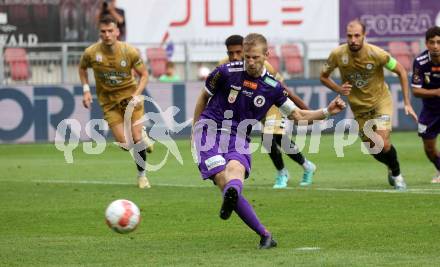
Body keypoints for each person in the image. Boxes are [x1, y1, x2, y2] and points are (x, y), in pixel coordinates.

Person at [192, 33, 346, 249]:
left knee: (235, 172)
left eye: (254, 57)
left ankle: (251, 219)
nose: (250, 62)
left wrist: (327, 112)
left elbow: (298, 116)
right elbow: (203, 97)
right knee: (222, 177)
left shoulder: (272, 87)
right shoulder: (225, 72)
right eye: (247, 57)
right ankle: (258, 227)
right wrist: (195, 129)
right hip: (210, 130)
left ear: (267, 55)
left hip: (239, 136)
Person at [320, 19, 418, 190]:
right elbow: (323, 76)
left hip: (381, 102)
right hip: (359, 108)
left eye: (357, 35)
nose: (353, 40)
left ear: (364, 35)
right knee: (373, 149)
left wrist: (407, 103)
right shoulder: (337, 54)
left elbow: (401, 71)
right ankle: (390, 166)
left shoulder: (377, 54)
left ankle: (397, 174)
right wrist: (338, 88)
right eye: (349, 36)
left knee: (382, 142)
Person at [219, 34, 316, 189]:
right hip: (249, 107)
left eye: (238, 52)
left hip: (271, 104)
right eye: (231, 53)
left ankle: (282, 173)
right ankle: (307, 165)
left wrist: (303, 108)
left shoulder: (264, 66)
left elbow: (282, 90)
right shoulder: (224, 68)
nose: (235, 57)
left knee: (268, 138)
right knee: (280, 140)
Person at [78, 15, 153, 189]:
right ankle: (141, 135)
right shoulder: (91, 53)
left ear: (117, 32)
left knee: (136, 139)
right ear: (100, 33)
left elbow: (144, 74)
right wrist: (86, 90)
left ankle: (142, 176)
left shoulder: (129, 52)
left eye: (110, 31)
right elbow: (82, 69)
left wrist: (137, 94)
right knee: (126, 145)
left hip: (130, 100)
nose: (107, 35)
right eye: (103, 32)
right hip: (109, 103)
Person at [411, 26, 440, 183]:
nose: (435, 46)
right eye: (432, 42)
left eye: (439, 42)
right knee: (429, 149)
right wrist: (436, 92)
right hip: (430, 111)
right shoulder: (420, 62)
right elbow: (415, 91)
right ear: (426, 44)